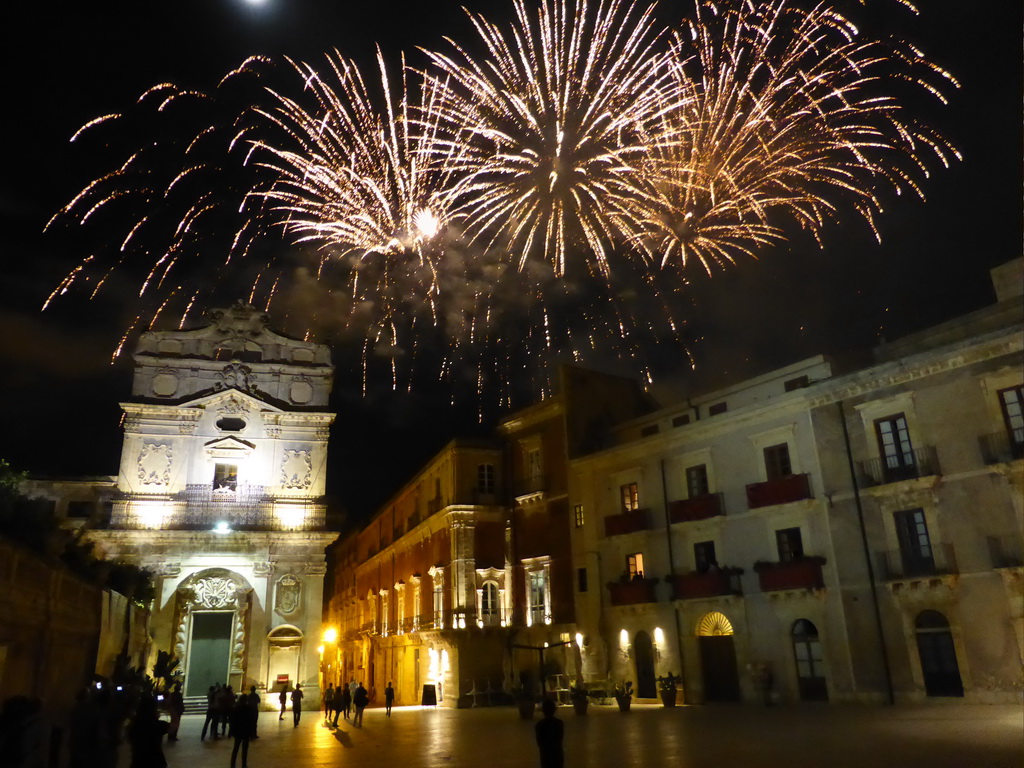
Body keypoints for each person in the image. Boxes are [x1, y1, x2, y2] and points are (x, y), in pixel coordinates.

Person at [128, 696, 168, 768]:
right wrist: (171, 708)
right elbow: (174, 725)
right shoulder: (157, 725)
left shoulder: (133, 726)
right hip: (156, 762)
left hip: (138, 762)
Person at [535, 699, 564, 768]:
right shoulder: (559, 723)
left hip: (545, 754)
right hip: (557, 753)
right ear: (554, 710)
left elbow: (539, 742)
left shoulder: (539, 724)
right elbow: (560, 738)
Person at [230, 694, 256, 768]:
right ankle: (244, 764)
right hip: (246, 731)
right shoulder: (249, 709)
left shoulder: (236, 709)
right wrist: (252, 732)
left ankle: (232, 764)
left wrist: (232, 730)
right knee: (245, 749)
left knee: (236, 748)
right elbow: (251, 721)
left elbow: (232, 720)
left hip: (238, 731)